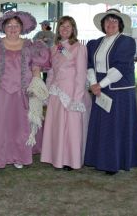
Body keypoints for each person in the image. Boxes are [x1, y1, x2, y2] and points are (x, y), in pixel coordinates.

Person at [0, 11, 51, 172]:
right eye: (9, 25)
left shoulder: (31, 45)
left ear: (22, 28)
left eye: (16, 25)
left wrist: (36, 88)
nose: (13, 28)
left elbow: (36, 67)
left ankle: (19, 155)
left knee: (20, 125)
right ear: (3, 28)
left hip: (23, 91)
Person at [84, 9, 137, 175]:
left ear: (120, 25)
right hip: (99, 88)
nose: (111, 24)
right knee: (101, 126)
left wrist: (100, 85)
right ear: (103, 24)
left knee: (115, 127)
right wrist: (94, 83)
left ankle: (114, 162)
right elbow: (89, 65)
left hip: (119, 90)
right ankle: (98, 159)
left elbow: (121, 67)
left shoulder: (127, 42)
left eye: (115, 21)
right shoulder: (94, 43)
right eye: (108, 21)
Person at [40, 16, 91, 171]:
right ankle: (56, 157)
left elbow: (81, 74)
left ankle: (70, 160)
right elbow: (50, 72)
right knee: (57, 127)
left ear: (73, 29)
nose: (65, 29)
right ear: (58, 29)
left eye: (68, 26)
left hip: (71, 93)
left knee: (71, 128)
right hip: (56, 92)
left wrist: (76, 98)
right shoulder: (54, 48)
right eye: (62, 27)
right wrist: (47, 93)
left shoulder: (79, 48)